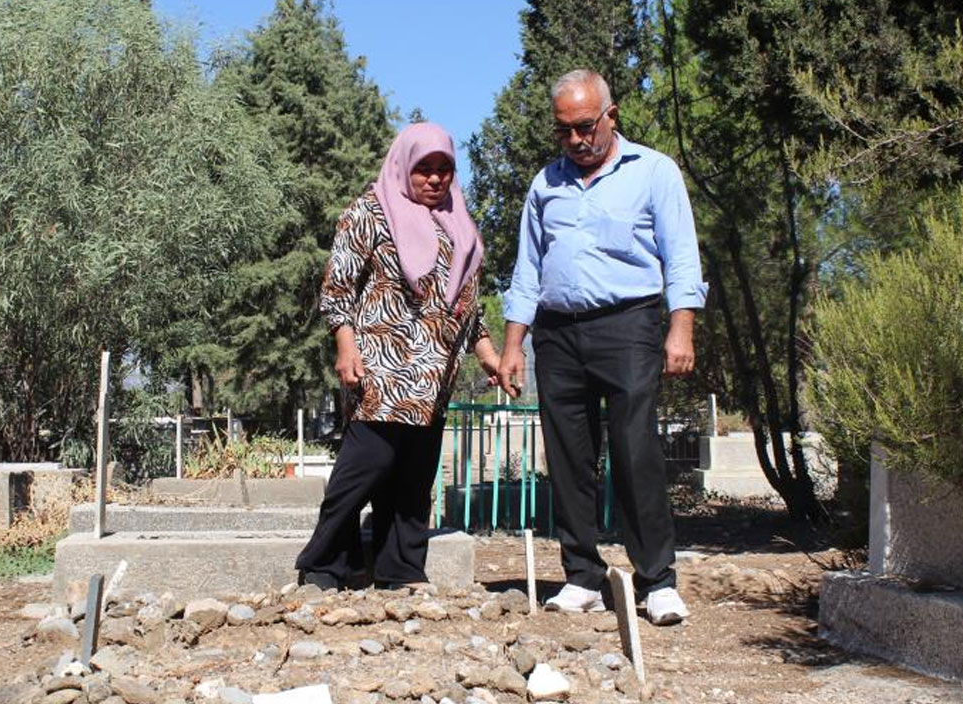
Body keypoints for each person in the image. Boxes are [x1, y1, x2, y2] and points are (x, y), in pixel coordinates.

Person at [497, 69, 707, 625]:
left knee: (636, 450)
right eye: (563, 131)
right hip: (558, 334)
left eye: (585, 127)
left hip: (629, 324)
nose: (575, 141)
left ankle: (657, 581)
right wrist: (514, 345)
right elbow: (527, 270)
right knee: (568, 457)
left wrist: (680, 327)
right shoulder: (545, 184)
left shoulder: (654, 172)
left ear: (611, 115)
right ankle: (582, 576)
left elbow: (681, 256)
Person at [295, 122, 500, 591]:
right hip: (382, 367)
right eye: (423, 168)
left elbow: (468, 301)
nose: (433, 179)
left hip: (434, 374)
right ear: (403, 166)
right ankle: (324, 565)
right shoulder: (370, 212)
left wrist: (485, 351)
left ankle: (400, 569)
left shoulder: (459, 222)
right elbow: (338, 285)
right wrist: (344, 345)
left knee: (413, 478)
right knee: (362, 468)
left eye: (443, 169)